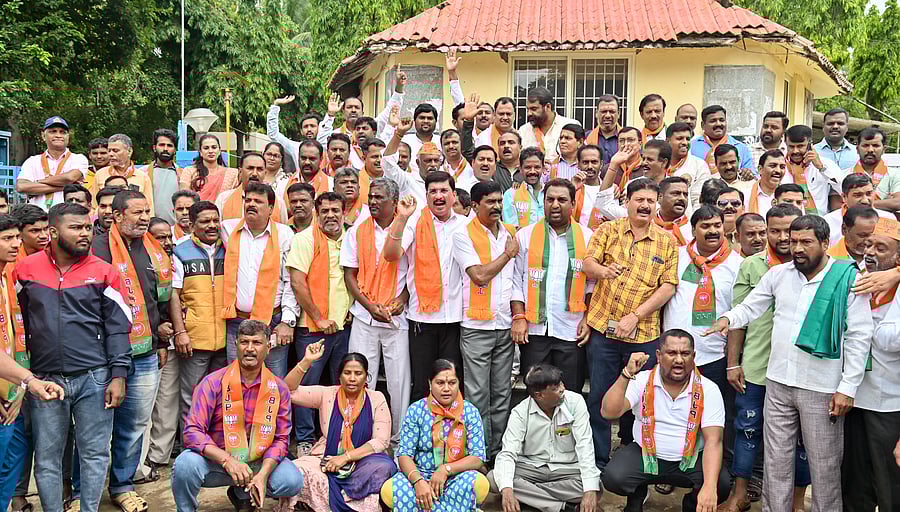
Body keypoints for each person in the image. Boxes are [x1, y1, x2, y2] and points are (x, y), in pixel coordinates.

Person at [706, 214, 873, 512]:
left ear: (825, 243)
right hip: (779, 382)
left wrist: (847, 387)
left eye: (806, 242)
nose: (797, 248)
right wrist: (727, 319)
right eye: (794, 241)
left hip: (822, 387)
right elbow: (750, 306)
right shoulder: (778, 274)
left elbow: (860, 337)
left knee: (824, 466)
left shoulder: (847, 279)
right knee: (776, 462)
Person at [17, 202, 132, 512]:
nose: (85, 233)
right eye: (76, 228)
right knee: (47, 456)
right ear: (53, 231)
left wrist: (119, 375)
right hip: (44, 380)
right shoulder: (24, 270)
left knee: (95, 454)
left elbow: (119, 328)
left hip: (95, 378)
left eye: (87, 227)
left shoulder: (104, 271)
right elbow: (16, 322)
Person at [582, 177, 678, 471]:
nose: (645, 205)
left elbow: (668, 287)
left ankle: (632, 456)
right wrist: (603, 271)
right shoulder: (608, 230)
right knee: (599, 396)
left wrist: (635, 316)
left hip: (644, 335)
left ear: (658, 203)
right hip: (603, 332)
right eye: (640, 200)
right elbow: (588, 263)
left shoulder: (667, 240)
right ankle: (597, 462)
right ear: (628, 202)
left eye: (651, 200)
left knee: (640, 400)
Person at [85, 189, 172, 512]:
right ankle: (83, 492)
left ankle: (122, 485)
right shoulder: (96, 249)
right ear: (116, 216)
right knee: (95, 427)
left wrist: (162, 341)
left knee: (134, 425)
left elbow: (160, 301)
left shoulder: (153, 250)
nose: (144, 217)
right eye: (137, 212)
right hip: (101, 354)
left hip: (145, 352)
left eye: (147, 211)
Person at [720, 203, 808, 512]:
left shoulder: (816, 265)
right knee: (747, 431)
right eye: (776, 230)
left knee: (801, 441)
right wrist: (733, 362)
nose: (784, 237)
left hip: (801, 370)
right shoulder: (752, 266)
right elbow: (738, 318)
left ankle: (797, 502)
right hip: (757, 367)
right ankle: (739, 493)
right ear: (767, 231)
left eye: (790, 230)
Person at [172, 319, 303, 512]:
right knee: (184, 465)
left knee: (292, 480)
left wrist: (263, 475)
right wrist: (228, 460)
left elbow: (282, 439)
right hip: (218, 462)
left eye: (257, 343)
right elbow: (192, 432)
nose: (250, 349)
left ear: (268, 347)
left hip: (257, 462)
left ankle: (243, 492)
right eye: (244, 342)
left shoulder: (279, 388)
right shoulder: (212, 382)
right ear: (236, 345)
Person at [600, 330, 730, 512]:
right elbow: (609, 412)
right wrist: (626, 374)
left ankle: (692, 504)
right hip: (645, 454)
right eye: (671, 353)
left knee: (721, 484)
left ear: (694, 356)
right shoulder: (642, 380)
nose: (679, 360)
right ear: (659, 356)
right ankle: (637, 496)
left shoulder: (709, 389)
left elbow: (713, 441)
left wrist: (709, 487)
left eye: (685, 354)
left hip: (691, 459)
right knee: (614, 477)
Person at [382, 172, 466, 403]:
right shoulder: (414, 223)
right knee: (422, 384)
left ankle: (451, 437)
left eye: (444, 191)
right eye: (433, 192)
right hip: (422, 319)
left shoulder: (467, 225)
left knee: (452, 384)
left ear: (453, 195)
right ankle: (421, 437)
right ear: (426, 196)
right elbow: (390, 255)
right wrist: (401, 218)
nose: (439, 196)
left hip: (455, 319)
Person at [279, 349, 397, 512]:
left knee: (385, 467)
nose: (352, 378)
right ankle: (318, 502)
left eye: (358, 373)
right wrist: (307, 360)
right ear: (339, 375)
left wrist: (345, 458)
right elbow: (287, 390)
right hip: (325, 458)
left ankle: (330, 501)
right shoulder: (327, 394)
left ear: (366, 376)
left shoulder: (376, 398)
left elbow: (381, 441)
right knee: (296, 471)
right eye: (347, 373)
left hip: (363, 460)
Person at [451, 181, 519, 460]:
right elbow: (478, 275)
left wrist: (519, 316)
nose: (496, 207)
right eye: (489, 202)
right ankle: (479, 454)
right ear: (475, 205)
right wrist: (506, 254)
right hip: (476, 328)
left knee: (502, 394)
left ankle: (499, 453)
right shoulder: (462, 233)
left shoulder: (510, 233)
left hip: (504, 325)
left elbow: (516, 280)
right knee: (478, 396)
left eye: (499, 201)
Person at [341, 178, 411, 439]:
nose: (372, 201)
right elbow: (350, 275)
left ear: (394, 203)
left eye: (379, 197)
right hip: (364, 318)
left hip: (395, 319)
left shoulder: (407, 229)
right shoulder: (357, 231)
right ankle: (359, 434)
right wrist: (369, 307)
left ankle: (399, 438)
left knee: (398, 382)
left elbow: (412, 274)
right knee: (359, 377)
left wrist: (402, 300)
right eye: (370, 196)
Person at [285, 191, 352, 455]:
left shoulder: (351, 238)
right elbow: (297, 283)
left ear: (343, 212)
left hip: (344, 329)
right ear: (316, 212)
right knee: (305, 388)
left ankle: (338, 436)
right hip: (313, 330)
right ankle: (304, 439)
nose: (330, 216)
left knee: (343, 384)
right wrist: (318, 317)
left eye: (335, 210)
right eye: (325, 211)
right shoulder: (304, 239)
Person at [510, 179, 593, 391]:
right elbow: (516, 280)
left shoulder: (588, 237)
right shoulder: (525, 236)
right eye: (550, 199)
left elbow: (592, 283)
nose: (555, 205)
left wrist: (587, 318)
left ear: (573, 204)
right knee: (536, 393)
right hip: (535, 329)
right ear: (543, 202)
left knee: (570, 393)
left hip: (571, 329)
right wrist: (519, 318)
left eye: (562, 200)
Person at [843, 218, 900, 512]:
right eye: (868, 245)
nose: (871, 252)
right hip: (853, 401)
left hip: (889, 406)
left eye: (881, 247)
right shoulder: (854, 282)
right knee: (855, 484)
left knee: (890, 486)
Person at [381, 359, 490, 512]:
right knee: (391, 490)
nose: (446, 388)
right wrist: (418, 481)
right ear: (430, 383)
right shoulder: (416, 410)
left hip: (455, 476)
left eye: (452, 383)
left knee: (478, 483)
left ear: (459, 383)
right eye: (440, 383)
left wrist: (446, 469)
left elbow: (478, 457)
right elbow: (404, 454)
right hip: (419, 473)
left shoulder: (470, 412)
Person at [489, 364, 600, 512]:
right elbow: (508, 453)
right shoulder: (520, 412)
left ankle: (532, 498)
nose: (562, 389)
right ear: (539, 395)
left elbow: (585, 445)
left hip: (567, 469)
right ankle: (563, 507)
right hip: (530, 467)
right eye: (555, 388)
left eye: (560, 383)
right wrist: (508, 489)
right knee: (493, 479)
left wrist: (590, 490)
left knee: (594, 486)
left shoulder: (575, 402)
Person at [220, 181, 297, 378]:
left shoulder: (285, 235)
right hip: (237, 322)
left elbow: (290, 281)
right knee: (236, 380)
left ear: (271, 208)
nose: (251, 204)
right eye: (248, 200)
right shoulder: (228, 230)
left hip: (272, 322)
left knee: (273, 380)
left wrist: (288, 321)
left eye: (258, 201)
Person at [169, 200, 228, 437]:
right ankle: (191, 446)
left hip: (226, 338)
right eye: (205, 221)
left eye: (216, 220)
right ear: (192, 225)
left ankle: (215, 444)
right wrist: (180, 332)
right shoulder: (179, 252)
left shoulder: (229, 248)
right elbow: (174, 294)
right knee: (192, 396)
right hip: (195, 339)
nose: (212, 225)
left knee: (221, 397)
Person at [16, 116, 89, 211]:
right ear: (43, 135)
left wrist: (37, 182)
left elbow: (70, 177)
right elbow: (21, 186)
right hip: (37, 218)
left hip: (68, 216)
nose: (58, 135)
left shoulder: (78, 158)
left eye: (63, 132)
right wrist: (65, 186)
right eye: (53, 131)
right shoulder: (32, 161)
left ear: (68, 136)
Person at [784, 125, 842, 216]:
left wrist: (822, 168)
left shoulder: (826, 164)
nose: (795, 151)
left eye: (800, 146)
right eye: (791, 146)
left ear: (810, 144)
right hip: (787, 223)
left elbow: (844, 189)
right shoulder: (780, 167)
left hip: (819, 224)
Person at [217, 152, 289, 223]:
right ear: (240, 172)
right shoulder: (224, 199)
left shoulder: (278, 202)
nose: (254, 174)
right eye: (250, 168)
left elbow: (283, 230)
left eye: (259, 169)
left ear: (265, 173)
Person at [91, 134, 155, 214]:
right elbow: (93, 207)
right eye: (109, 150)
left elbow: (149, 209)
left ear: (129, 151)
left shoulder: (143, 177)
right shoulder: (100, 175)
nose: (110, 154)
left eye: (115, 151)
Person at [824, 173, 894, 245]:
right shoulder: (828, 222)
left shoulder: (889, 219)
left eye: (869, 194)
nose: (865, 200)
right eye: (858, 195)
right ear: (844, 197)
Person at [267, 94, 334, 168]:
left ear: (319, 128)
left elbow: (326, 130)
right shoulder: (295, 147)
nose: (309, 129)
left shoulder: (326, 146)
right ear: (301, 131)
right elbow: (273, 135)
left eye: (312, 126)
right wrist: (275, 105)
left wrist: (330, 115)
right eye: (305, 127)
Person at [689, 106, 754, 178]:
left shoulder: (740, 147)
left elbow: (752, 175)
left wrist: (747, 173)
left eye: (721, 120)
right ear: (703, 125)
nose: (718, 124)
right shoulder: (691, 147)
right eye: (713, 121)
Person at [518, 87, 580, 163]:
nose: (529, 113)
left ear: (548, 106)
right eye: (528, 109)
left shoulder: (570, 125)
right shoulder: (523, 131)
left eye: (534, 109)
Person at [851, 126, 900, 213]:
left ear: (884, 149)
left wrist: (856, 203)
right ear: (857, 149)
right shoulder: (845, 174)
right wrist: (886, 203)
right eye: (865, 145)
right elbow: (837, 205)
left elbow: (898, 203)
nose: (870, 150)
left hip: (886, 225)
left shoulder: (895, 174)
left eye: (875, 145)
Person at [180, 134, 240, 201]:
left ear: (219, 151)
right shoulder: (189, 171)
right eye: (206, 148)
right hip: (197, 210)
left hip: (224, 211)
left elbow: (236, 199)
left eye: (214, 147)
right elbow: (184, 198)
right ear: (200, 152)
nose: (210, 151)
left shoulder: (232, 174)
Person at [666, 122, 711, 208]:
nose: (685, 143)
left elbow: (699, 200)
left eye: (687, 139)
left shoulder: (699, 165)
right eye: (679, 138)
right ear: (668, 141)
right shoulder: (660, 163)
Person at [141, 128, 181, 224]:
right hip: (149, 228)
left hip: (175, 230)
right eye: (162, 145)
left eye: (170, 145)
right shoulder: (142, 173)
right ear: (154, 147)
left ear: (175, 149)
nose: (165, 149)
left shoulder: (183, 175)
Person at [277, 139, 332, 205]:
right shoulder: (283, 184)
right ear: (298, 158)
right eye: (303, 158)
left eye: (312, 159)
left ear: (321, 159)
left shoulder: (331, 184)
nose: (307, 162)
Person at [503, 147, 545, 227]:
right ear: (520, 169)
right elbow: (511, 228)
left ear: (543, 168)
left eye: (537, 167)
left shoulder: (550, 194)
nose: (532, 171)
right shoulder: (511, 195)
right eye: (528, 167)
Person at [572, 145, 607, 229]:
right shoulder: (571, 187)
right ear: (578, 164)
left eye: (594, 162)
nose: (590, 166)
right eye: (585, 162)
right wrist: (572, 189)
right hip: (578, 237)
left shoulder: (610, 190)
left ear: (601, 164)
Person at [653, 176, 693, 246]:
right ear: (660, 197)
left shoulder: (693, 231)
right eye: (676, 193)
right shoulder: (645, 224)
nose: (682, 198)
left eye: (685, 195)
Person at [746, 149, 786, 217]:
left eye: (782, 167)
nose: (778, 171)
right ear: (760, 169)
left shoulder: (790, 196)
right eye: (773, 166)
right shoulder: (746, 195)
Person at [584, 95, 620, 164]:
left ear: (618, 114)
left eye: (612, 111)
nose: (607, 116)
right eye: (603, 111)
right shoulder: (586, 138)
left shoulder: (627, 139)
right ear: (596, 113)